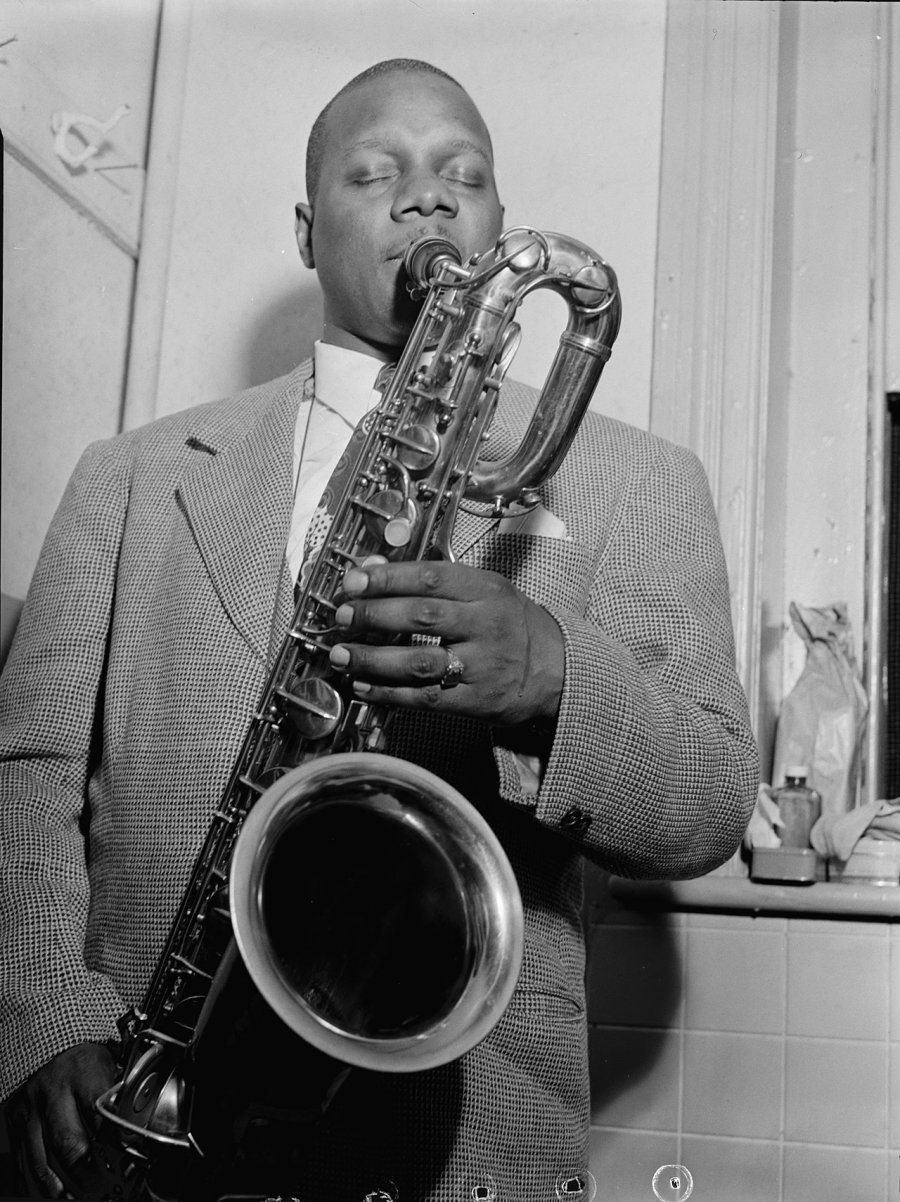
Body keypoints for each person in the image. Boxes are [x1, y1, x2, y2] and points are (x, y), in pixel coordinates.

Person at [0, 59, 758, 1201]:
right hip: (137, 1108)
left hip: (463, 1147)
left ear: (497, 224)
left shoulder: (643, 480)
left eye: (464, 174)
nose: (427, 195)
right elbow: (26, 771)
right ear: (308, 231)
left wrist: (553, 675)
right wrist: (41, 1022)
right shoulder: (128, 474)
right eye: (373, 173)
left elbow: (707, 801)